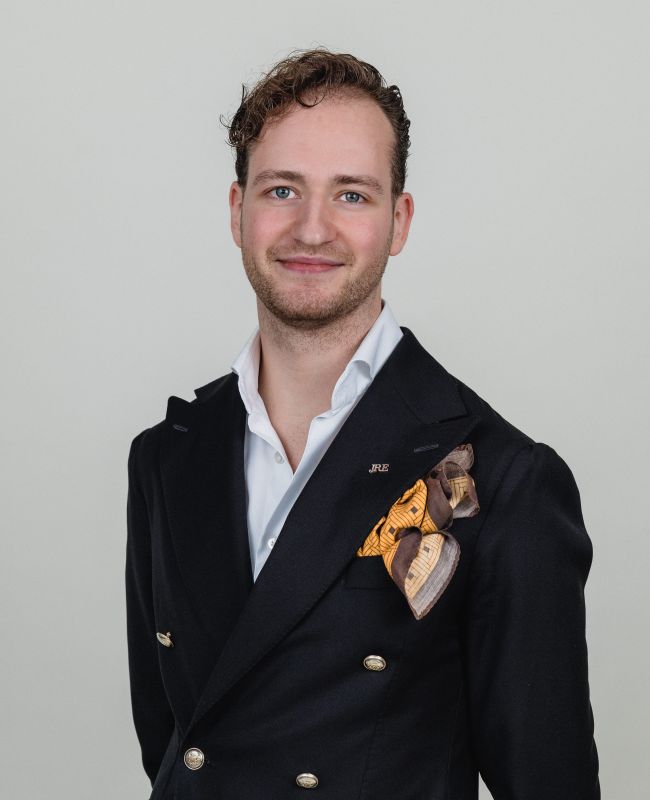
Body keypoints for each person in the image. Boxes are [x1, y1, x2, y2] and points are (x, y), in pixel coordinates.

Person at [125, 48, 600, 799]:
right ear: (237, 209)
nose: (312, 229)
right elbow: (170, 742)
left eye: (351, 195)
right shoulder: (166, 457)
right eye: (282, 189)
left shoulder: (507, 477)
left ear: (398, 221)